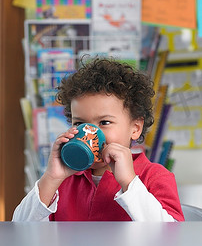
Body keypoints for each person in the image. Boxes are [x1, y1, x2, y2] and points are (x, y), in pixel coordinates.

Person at [13, 58, 184, 221]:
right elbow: (19, 229)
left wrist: (129, 183)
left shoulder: (154, 177)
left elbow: (172, 235)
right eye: (80, 123)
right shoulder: (64, 180)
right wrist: (51, 178)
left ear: (135, 128)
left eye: (104, 122)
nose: (90, 134)